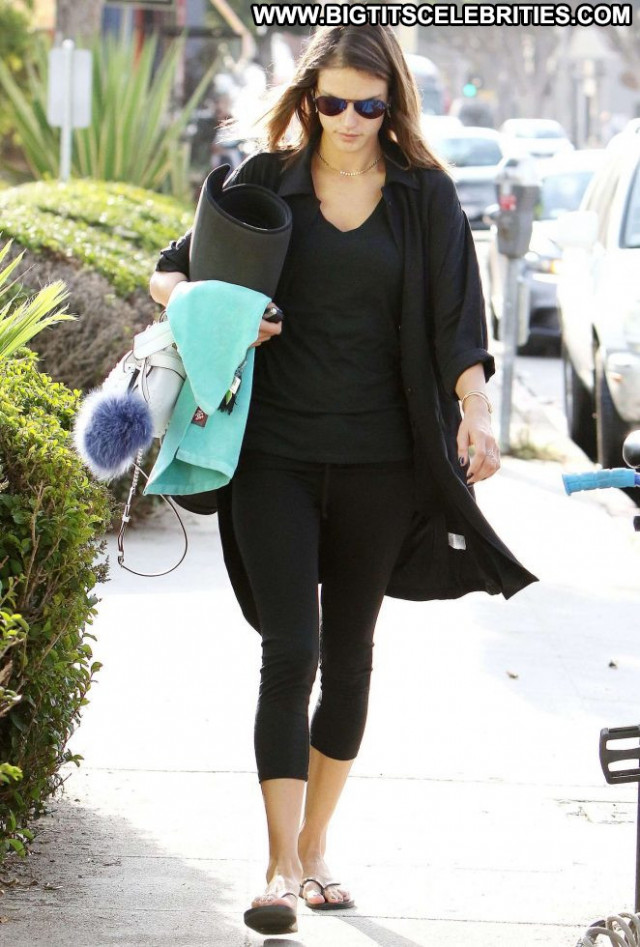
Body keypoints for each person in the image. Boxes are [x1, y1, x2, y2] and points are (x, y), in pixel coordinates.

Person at [149, 24, 536, 937]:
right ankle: (278, 868)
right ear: (309, 99)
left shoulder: (424, 196)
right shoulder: (264, 182)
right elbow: (170, 275)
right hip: (274, 456)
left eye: (369, 104)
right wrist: (220, 306)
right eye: (333, 102)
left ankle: (316, 844)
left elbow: (458, 318)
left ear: (392, 102)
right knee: (291, 650)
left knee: (350, 654)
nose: (351, 120)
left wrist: (476, 409)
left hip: (383, 463)